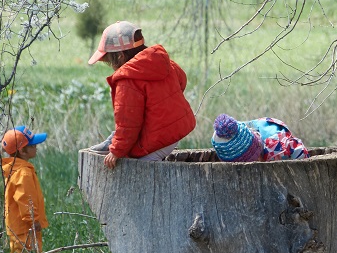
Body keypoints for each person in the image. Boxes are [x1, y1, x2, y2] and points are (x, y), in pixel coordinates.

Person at [86, 21, 196, 169]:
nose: (111, 67)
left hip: (157, 141)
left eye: (109, 61)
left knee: (135, 172)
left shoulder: (127, 80)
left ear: (120, 56)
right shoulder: (164, 63)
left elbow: (128, 124)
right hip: (175, 133)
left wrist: (116, 151)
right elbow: (181, 81)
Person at [1, 126, 49, 253]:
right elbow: (24, 198)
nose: (36, 147)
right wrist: (33, 220)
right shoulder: (23, 173)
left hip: (17, 227)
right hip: (26, 229)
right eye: (32, 145)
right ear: (22, 151)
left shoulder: (12, 169)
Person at [210, 114, 308, 162]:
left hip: (270, 130)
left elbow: (298, 148)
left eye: (254, 159)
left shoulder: (277, 147)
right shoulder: (226, 136)